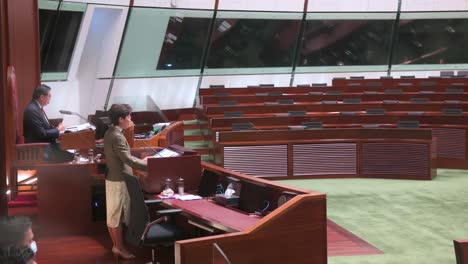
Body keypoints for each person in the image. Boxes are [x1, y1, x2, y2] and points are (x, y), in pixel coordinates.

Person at [104, 103, 148, 260]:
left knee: (113, 215)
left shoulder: (112, 132)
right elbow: (127, 159)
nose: (131, 119)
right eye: (128, 116)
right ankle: (119, 247)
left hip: (114, 179)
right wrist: (149, 165)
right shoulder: (116, 136)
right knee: (116, 216)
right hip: (119, 181)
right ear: (121, 119)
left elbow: (125, 156)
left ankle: (117, 246)